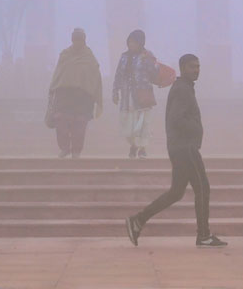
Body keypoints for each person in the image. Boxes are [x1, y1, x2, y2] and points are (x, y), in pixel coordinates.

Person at [125, 54, 227, 248]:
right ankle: (203, 235)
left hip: (180, 147)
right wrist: (196, 129)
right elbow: (176, 119)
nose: (196, 70)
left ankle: (138, 220)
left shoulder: (184, 88)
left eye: (198, 66)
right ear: (182, 68)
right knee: (202, 188)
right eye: (192, 67)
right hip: (185, 148)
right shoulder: (182, 89)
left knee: (176, 192)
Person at [47, 28, 103, 158]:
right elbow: (58, 74)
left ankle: (76, 151)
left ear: (84, 41)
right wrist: (53, 89)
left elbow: (95, 77)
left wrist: (93, 94)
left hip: (83, 97)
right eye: (75, 39)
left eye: (80, 40)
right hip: (64, 95)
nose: (77, 42)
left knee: (80, 125)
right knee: (61, 122)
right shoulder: (65, 55)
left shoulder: (89, 58)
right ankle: (64, 148)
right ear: (72, 40)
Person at [112, 29, 157, 158]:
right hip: (127, 97)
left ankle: (142, 148)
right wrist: (115, 91)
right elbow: (118, 74)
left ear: (140, 43)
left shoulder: (147, 55)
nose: (131, 44)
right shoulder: (124, 57)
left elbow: (154, 73)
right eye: (130, 42)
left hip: (142, 95)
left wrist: (149, 60)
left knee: (143, 123)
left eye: (134, 42)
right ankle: (133, 145)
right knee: (127, 124)